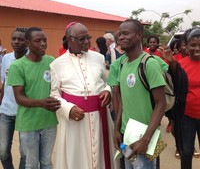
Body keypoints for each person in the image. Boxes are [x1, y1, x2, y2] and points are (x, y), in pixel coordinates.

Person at [50, 22, 119, 169]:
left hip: (100, 118)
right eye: (82, 39)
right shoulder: (56, 64)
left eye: (88, 37)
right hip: (74, 122)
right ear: (69, 39)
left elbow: (109, 82)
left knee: (101, 156)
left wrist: (107, 90)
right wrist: (68, 109)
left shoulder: (99, 58)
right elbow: (54, 95)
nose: (87, 42)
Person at [111, 19, 166, 169]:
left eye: (126, 33)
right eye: (119, 34)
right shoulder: (122, 64)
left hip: (144, 139)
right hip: (126, 137)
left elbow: (161, 104)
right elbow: (121, 100)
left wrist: (146, 139)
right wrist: (116, 129)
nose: (121, 37)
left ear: (139, 36)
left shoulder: (149, 63)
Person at [6, 27, 61, 168]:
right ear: (28, 43)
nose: (43, 44)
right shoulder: (17, 67)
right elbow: (19, 98)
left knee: (47, 162)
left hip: (49, 122)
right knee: (30, 164)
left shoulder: (51, 61)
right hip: (28, 124)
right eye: (38, 41)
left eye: (45, 40)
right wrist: (42, 103)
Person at [163, 27, 200, 169]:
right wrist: (172, 64)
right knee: (186, 152)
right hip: (186, 116)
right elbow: (172, 88)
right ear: (186, 45)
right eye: (193, 45)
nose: (197, 48)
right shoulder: (180, 65)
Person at [0, 27, 28, 169]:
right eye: (14, 39)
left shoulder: (32, 60)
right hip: (5, 111)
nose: (16, 42)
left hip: (24, 113)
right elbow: (4, 83)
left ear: (28, 42)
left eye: (21, 39)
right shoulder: (6, 58)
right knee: (2, 151)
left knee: (25, 152)